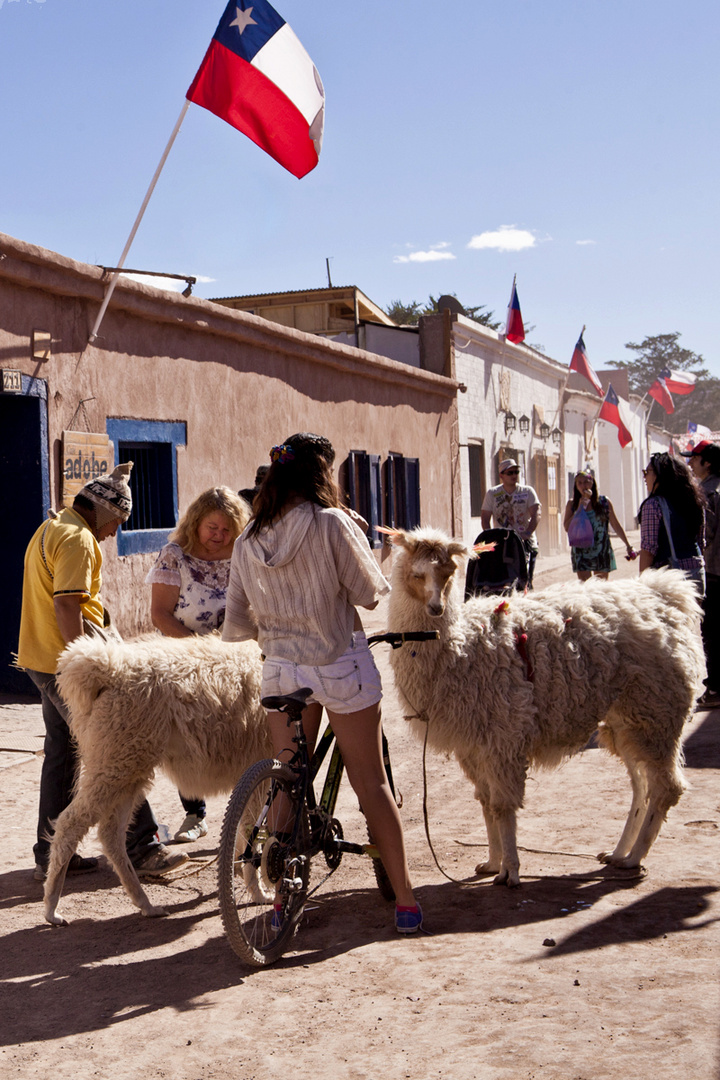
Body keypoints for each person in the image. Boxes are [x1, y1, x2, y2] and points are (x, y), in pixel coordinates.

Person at [222, 432, 422, 934]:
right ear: (319, 475)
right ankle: (405, 899)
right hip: (339, 666)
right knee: (371, 783)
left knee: (290, 780)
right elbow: (370, 595)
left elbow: (239, 624)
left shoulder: (247, 540)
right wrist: (358, 536)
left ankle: (283, 897)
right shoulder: (332, 523)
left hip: (282, 671)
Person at [17, 463, 188, 881]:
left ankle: (51, 851)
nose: (114, 533)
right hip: (66, 665)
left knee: (65, 752)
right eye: (116, 523)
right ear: (101, 512)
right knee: (118, 748)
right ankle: (143, 846)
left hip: (41, 659)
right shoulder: (78, 539)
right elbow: (66, 604)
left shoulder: (52, 527)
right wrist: (85, 665)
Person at [146, 486, 250, 841]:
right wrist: (200, 653)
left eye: (226, 530)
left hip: (233, 660)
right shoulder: (174, 556)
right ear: (195, 523)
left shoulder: (241, 555)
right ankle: (195, 815)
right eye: (211, 528)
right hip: (184, 660)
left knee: (235, 733)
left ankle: (245, 816)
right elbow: (160, 615)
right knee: (187, 738)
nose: (218, 537)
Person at [682, 441, 720, 706]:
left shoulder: (706, 493)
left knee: (713, 631)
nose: (690, 463)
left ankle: (716, 688)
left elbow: (704, 535)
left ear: (707, 462)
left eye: (694, 458)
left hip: (715, 571)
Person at [637, 452, 705, 593]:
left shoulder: (653, 505)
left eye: (647, 472)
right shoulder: (694, 502)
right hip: (697, 574)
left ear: (660, 476)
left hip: (669, 581)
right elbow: (700, 542)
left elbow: (649, 550)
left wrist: (642, 584)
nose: (644, 477)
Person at [563, 470, 636, 581]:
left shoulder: (604, 502)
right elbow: (567, 527)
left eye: (586, 482)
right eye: (580, 483)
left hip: (601, 550)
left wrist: (628, 545)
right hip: (581, 551)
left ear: (592, 483)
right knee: (585, 588)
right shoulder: (572, 504)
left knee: (600, 590)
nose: (584, 486)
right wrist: (579, 509)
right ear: (576, 486)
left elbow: (615, 525)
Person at [481, 458, 542, 586]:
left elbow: (536, 512)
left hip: (524, 541)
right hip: (503, 543)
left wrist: (528, 532)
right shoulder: (493, 494)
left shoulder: (527, 491)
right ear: (501, 475)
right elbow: (485, 517)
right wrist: (490, 536)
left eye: (516, 472)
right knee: (503, 580)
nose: (514, 475)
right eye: (510, 473)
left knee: (525, 580)